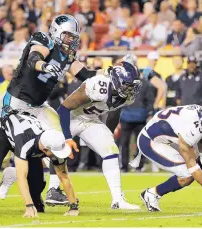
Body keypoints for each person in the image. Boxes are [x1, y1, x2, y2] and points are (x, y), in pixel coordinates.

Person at [0, 14, 107, 208]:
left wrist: (109, 73)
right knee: (5, 148)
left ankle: (54, 188)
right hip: (17, 102)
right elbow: (33, 58)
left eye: (73, 37)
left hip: (39, 106)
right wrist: (44, 66)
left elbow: (85, 74)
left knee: (59, 137)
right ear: (57, 32)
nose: (71, 40)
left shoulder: (67, 55)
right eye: (68, 35)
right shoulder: (44, 39)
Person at [55, 61, 141, 209]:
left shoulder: (127, 97)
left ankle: (117, 200)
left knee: (111, 151)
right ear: (115, 80)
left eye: (132, 85)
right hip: (71, 118)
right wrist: (67, 137)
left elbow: (114, 114)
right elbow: (64, 108)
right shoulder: (97, 85)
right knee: (54, 149)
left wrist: (108, 133)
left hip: (90, 121)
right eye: (127, 85)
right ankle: (52, 189)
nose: (130, 89)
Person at [0, 111, 77, 217]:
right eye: (55, 153)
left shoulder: (53, 141)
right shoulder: (26, 143)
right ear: (45, 150)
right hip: (3, 131)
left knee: (37, 182)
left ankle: (36, 198)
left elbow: (64, 177)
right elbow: (21, 177)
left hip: (28, 136)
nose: (57, 156)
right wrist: (29, 206)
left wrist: (73, 207)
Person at [130, 102, 202, 211]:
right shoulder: (191, 125)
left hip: (167, 139)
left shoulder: (201, 118)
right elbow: (191, 164)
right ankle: (151, 194)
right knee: (187, 175)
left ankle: (151, 194)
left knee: (195, 163)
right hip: (150, 141)